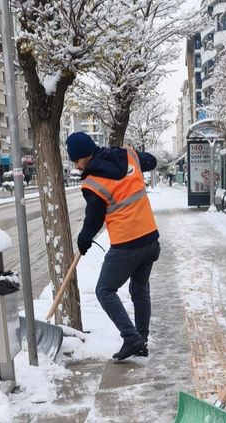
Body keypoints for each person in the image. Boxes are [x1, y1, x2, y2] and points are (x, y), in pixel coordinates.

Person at [66, 131, 160, 361]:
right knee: (139, 289)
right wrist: (136, 162)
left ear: (84, 156)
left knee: (104, 290)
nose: (77, 167)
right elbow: (152, 161)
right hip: (150, 239)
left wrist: (84, 238)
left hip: (127, 245)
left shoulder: (93, 182)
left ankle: (131, 338)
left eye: (76, 161)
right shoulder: (128, 155)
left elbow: (94, 218)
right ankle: (141, 340)